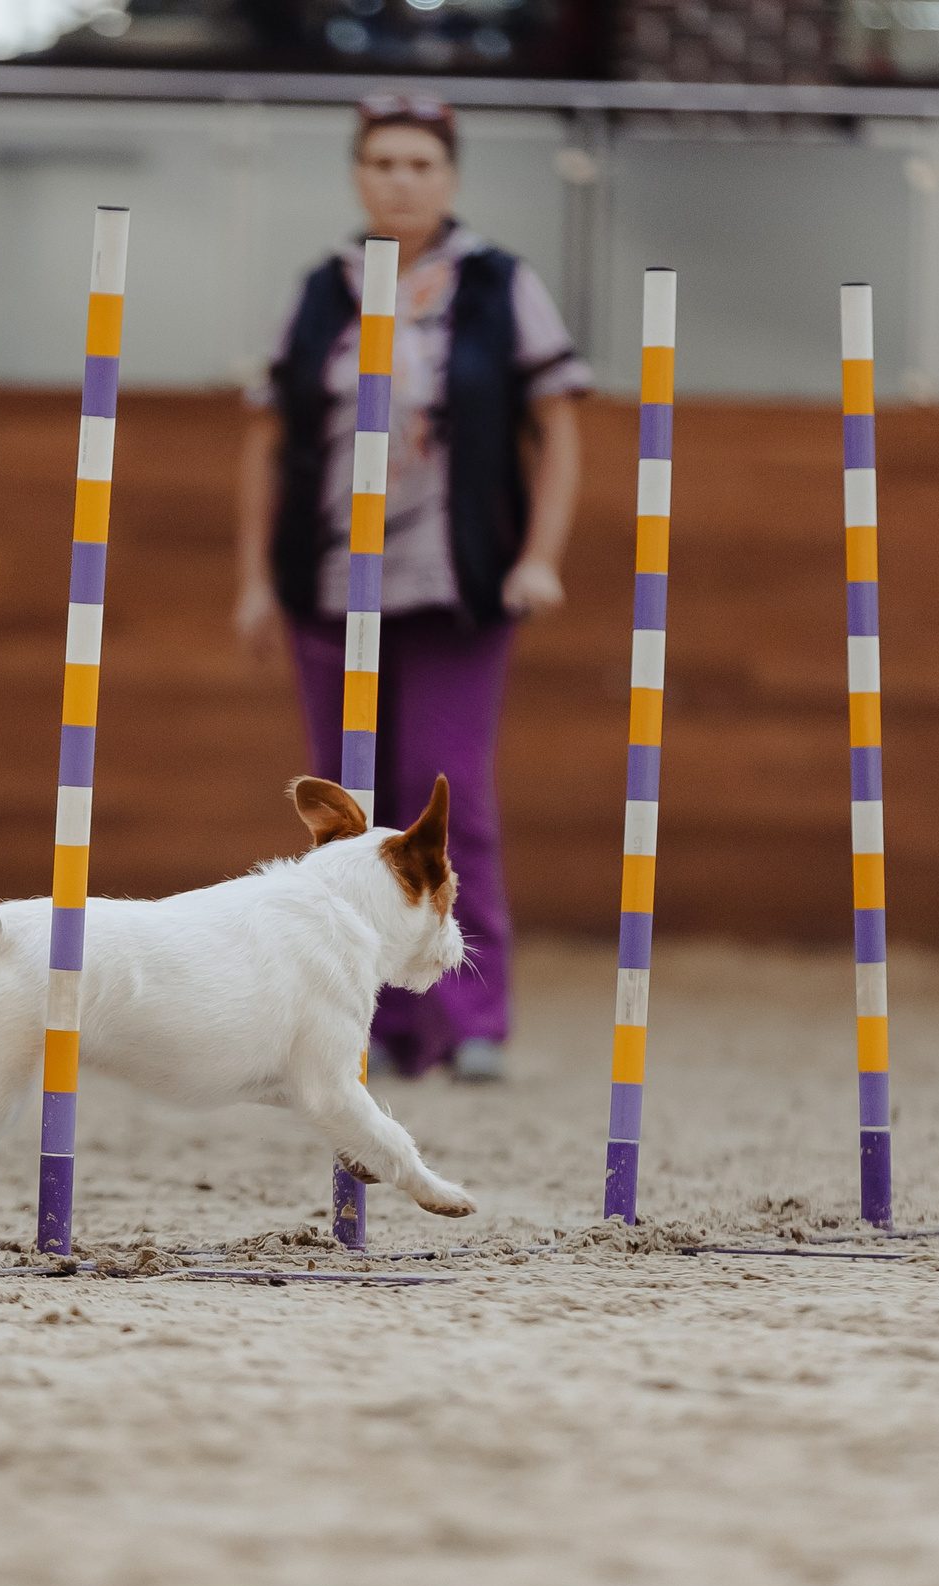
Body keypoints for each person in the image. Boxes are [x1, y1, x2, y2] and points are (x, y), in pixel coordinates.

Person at [235, 92, 589, 1084]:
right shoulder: (317, 292)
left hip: (458, 584)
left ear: (450, 177)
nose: (400, 180)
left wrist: (540, 553)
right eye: (382, 162)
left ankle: (472, 1017)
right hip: (330, 582)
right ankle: (370, 1023)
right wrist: (255, 578)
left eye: (419, 164)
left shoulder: (498, 285)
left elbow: (557, 427)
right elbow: (266, 441)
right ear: (358, 173)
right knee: (348, 812)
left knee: (450, 795)